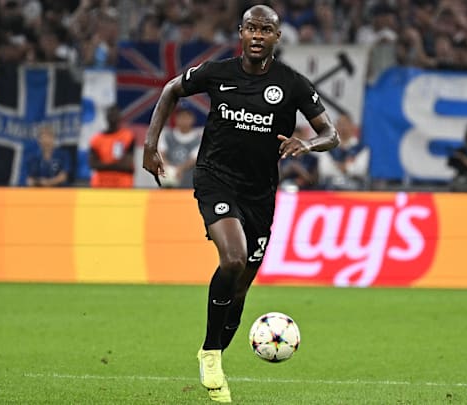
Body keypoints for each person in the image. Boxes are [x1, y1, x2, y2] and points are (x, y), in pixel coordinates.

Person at [141, 5, 340, 403]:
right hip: (215, 179)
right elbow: (171, 90)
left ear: (276, 37)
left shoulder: (292, 84)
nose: (257, 36)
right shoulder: (219, 73)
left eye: (265, 30)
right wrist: (150, 144)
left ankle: (216, 356)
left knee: (241, 286)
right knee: (232, 259)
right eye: (251, 28)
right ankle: (210, 353)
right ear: (240, 32)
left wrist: (307, 144)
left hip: (260, 193)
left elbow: (330, 133)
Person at [317, 112, 370, 190]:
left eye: (345, 124)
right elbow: (325, 170)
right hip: (330, 189)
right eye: (340, 124)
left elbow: (360, 170)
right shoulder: (327, 147)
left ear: (352, 126)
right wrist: (348, 167)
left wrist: (344, 168)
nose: (342, 128)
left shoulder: (361, 148)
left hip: (354, 190)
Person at [89, 105, 135, 188]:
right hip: (100, 183)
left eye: (115, 114)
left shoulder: (127, 136)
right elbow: (93, 164)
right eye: (110, 114)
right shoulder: (96, 139)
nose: (112, 116)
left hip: (122, 184)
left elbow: (127, 164)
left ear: (119, 117)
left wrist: (103, 165)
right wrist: (115, 165)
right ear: (106, 117)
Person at [158, 107, 203, 188]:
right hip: (168, 184)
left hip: (188, 184)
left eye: (187, 117)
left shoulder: (198, 140)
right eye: (181, 117)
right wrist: (167, 167)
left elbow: (194, 159)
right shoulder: (167, 136)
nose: (184, 120)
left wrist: (179, 169)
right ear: (176, 118)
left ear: (192, 119)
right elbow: (161, 153)